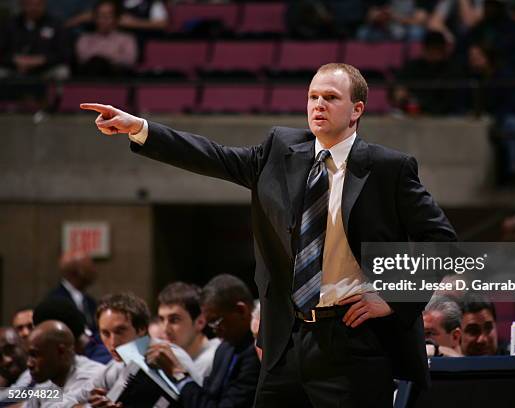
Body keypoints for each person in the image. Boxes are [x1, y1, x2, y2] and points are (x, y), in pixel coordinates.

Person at [81, 62, 457, 407]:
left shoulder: (387, 168)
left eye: (330, 97)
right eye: (313, 97)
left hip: (352, 340)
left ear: (357, 109)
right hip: (286, 341)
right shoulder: (279, 151)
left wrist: (392, 295)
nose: (318, 105)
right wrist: (140, 128)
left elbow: (443, 242)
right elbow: (214, 155)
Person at [147, 274, 261, 408]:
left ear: (241, 310)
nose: (213, 329)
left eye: (216, 321)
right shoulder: (224, 349)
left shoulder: (257, 352)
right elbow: (207, 396)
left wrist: (178, 373)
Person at [68, 292, 197, 407]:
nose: (113, 343)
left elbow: (200, 402)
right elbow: (68, 398)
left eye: (120, 331)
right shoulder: (116, 367)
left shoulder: (174, 357)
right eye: (105, 333)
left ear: (141, 329)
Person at [24, 320, 104, 407]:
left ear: (61, 351)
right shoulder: (46, 380)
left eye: (35, 355)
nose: (29, 364)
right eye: (28, 356)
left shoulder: (91, 377)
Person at [157, 281, 221, 384]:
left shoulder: (214, 357)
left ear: (200, 322)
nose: (165, 329)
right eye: (161, 319)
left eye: (174, 320)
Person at [0, 0, 70, 79]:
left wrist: (41, 60)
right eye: (29, 4)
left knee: (62, 71)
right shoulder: (10, 24)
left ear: (44, 5)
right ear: (22, 5)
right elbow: (2, 52)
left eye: (38, 4)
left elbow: (64, 54)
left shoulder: (55, 25)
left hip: (45, 68)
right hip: (14, 67)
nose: (34, 8)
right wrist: (15, 60)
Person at [75, 0, 138, 77]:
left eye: (109, 15)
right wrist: (114, 55)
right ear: (94, 18)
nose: (104, 19)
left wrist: (106, 60)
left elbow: (129, 61)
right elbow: (83, 59)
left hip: (117, 79)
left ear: (116, 18)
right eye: (100, 15)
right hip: (90, 77)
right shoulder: (84, 39)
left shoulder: (127, 39)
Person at [48, 250, 98, 331]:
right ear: (80, 271)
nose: (95, 270)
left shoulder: (90, 302)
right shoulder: (54, 302)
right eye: (91, 266)